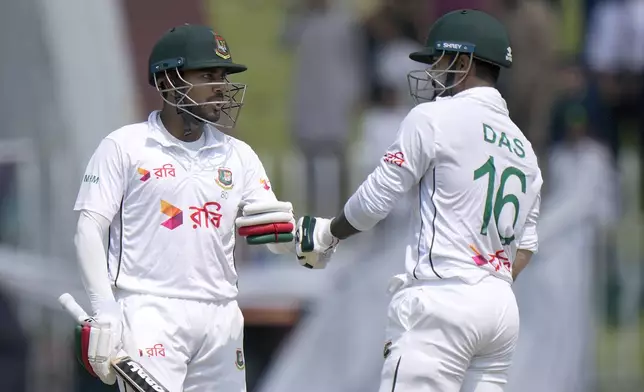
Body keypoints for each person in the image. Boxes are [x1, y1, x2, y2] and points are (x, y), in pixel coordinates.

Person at [295, 9, 543, 392]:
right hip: (499, 311)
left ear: (462, 62)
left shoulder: (433, 117)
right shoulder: (524, 149)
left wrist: (328, 233)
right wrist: (483, 280)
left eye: (439, 61)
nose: (433, 73)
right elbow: (525, 248)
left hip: (441, 301)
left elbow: (377, 198)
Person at [72, 24, 295, 392]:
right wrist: (106, 309)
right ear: (166, 82)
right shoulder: (125, 146)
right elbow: (88, 230)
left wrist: (312, 239)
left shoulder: (238, 154)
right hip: (149, 309)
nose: (221, 86)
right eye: (207, 75)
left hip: (222, 315)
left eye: (222, 76)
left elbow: (272, 231)